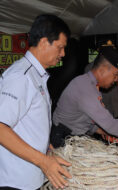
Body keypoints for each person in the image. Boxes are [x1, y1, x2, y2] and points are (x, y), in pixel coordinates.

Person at [0, 14, 71, 190]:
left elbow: (28, 126)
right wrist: (43, 161)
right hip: (15, 182)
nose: (63, 54)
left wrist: (47, 150)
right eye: (60, 47)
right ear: (44, 42)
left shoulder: (36, 76)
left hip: (30, 178)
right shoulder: (20, 77)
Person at [84, 40, 118, 121]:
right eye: (106, 50)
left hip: (117, 109)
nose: (110, 53)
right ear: (99, 50)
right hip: (101, 111)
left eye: (111, 50)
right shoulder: (90, 68)